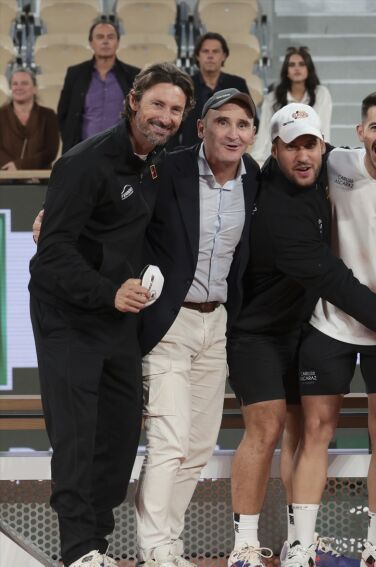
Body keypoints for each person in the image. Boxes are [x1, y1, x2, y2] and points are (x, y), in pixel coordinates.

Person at [224, 102, 376, 567]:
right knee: (291, 430)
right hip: (301, 326)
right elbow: (338, 284)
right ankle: (274, 546)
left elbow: (366, 157)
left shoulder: (358, 167)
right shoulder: (292, 200)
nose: (304, 155)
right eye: (292, 147)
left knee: (366, 434)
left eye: (311, 145)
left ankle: (360, 546)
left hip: (345, 324)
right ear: (275, 150)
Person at [29, 62, 194, 567]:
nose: (165, 116)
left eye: (175, 109)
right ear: (133, 102)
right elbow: (52, 256)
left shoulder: (158, 160)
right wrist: (108, 292)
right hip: (68, 317)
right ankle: (78, 551)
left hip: (117, 317)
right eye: (157, 104)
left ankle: (95, 545)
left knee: (120, 440)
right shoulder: (84, 163)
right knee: (77, 438)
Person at [283, 89, 376, 567]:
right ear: (360, 131)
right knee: (315, 430)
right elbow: (287, 161)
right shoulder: (335, 162)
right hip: (330, 322)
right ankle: (302, 546)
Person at [132, 88, 259, 567]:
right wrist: (55, 212)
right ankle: (154, 550)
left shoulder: (255, 177)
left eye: (242, 124)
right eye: (222, 122)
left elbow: (317, 165)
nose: (232, 133)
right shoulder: (168, 169)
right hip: (168, 320)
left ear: (252, 134)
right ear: (202, 127)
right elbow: (117, 204)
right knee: (169, 440)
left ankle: (169, 542)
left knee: (199, 445)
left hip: (217, 323)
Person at [56, 20, 139, 151]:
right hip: (83, 151)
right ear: (91, 43)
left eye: (110, 37)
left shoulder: (133, 75)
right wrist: (70, 140)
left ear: (118, 42)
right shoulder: (75, 74)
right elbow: (63, 113)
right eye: (100, 37)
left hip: (122, 151)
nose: (105, 41)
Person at [251, 46, 333, 165]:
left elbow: (323, 130)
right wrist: (256, 160)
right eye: (292, 65)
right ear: (286, 71)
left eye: (301, 64)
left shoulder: (321, 94)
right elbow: (264, 133)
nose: (297, 68)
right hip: (278, 157)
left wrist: (323, 158)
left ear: (308, 69)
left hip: (311, 154)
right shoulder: (272, 98)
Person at [172, 32, 250, 148]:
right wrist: (177, 154)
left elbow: (251, 121)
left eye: (215, 51)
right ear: (197, 56)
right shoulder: (184, 85)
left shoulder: (237, 84)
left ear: (224, 56)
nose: (210, 56)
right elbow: (173, 123)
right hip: (191, 152)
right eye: (205, 51)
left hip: (229, 150)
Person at [0, 67, 59, 170]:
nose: (19, 87)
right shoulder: (1, 115)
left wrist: (19, 165)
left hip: (39, 176)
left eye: (24, 83)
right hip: (5, 175)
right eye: (15, 84)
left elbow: (51, 151)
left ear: (35, 88)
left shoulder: (48, 115)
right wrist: (10, 167)